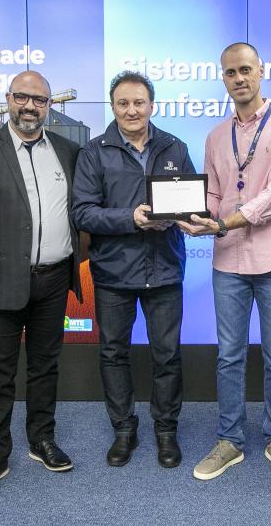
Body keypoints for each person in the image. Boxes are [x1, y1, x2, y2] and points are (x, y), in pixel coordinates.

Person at [179, 43, 271, 483]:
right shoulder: (216, 136)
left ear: (261, 72)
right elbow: (214, 193)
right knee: (229, 356)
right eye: (231, 72)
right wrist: (196, 216)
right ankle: (229, 439)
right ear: (223, 78)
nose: (239, 78)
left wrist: (220, 224)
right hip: (228, 262)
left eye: (246, 70)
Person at [0, 71, 82, 498]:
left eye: (39, 100)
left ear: (49, 106)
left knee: (45, 366)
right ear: (8, 99)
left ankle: (42, 440)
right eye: (22, 97)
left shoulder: (67, 150)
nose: (30, 106)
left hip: (54, 278)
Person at [72, 71, 194, 468]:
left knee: (167, 355)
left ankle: (166, 430)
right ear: (113, 107)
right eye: (123, 103)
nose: (131, 110)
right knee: (113, 353)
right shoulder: (94, 152)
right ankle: (124, 429)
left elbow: (192, 202)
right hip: (113, 273)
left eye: (139, 102)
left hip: (165, 270)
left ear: (151, 105)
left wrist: (182, 216)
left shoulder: (175, 147)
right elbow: (82, 212)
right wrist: (132, 218)